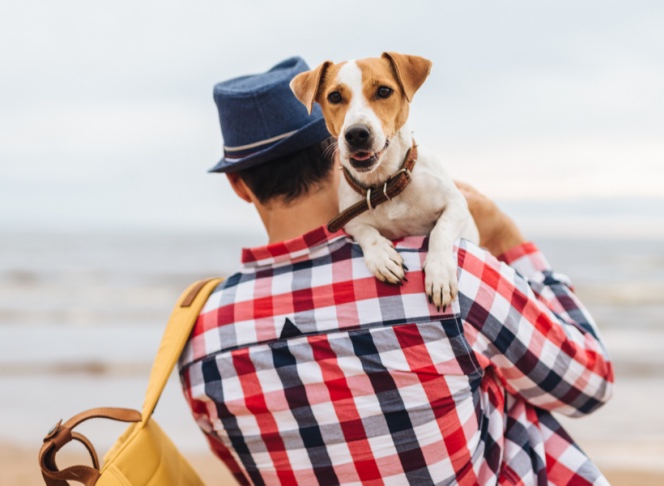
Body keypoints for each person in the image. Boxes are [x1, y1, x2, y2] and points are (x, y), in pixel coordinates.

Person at [179, 57, 614, 486]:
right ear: (342, 144)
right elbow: (590, 384)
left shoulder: (199, 341)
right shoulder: (450, 275)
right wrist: (508, 238)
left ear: (237, 184)